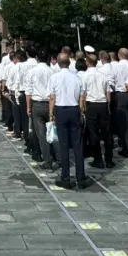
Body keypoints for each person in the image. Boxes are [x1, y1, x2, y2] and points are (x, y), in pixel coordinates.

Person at [48, 51, 86, 189]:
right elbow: (82, 97)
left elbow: (52, 97)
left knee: (64, 145)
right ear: (69, 63)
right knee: (77, 145)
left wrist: (51, 114)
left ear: (58, 63)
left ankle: (65, 178)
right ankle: (81, 178)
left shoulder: (54, 77)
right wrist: (81, 112)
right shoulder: (77, 78)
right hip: (74, 109)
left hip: (61, 110)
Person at [80, 54, 113, 169]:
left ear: (88, 63)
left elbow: (83, 94)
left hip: (91, 104)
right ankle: (109, 159)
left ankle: (98, 159)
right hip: (103, 104)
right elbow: (108, 93)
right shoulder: (103, 76)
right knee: (107, 132)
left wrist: (82, 107)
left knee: (93, 132)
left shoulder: (84, 76)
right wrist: (108, 106)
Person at [25, 48, 54, 170]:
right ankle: (56, 156)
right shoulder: (52, 71)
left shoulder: (32, 72)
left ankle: (47, 159)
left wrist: (28, 106)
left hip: (37, 103)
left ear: (37, 58)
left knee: (41, 134)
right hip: (51, 103)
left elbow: (28, 91)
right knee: (53, 131)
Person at [111, 49, 128, 157]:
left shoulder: (115, 66)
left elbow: (111, 82)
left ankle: (126, 148)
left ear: (119, 55)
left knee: (123, 124)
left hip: (121, 94)